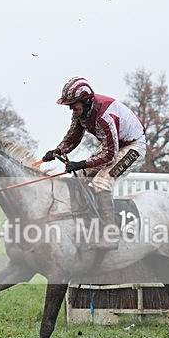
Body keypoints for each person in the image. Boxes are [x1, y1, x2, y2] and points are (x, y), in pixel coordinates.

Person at [42, 77, 147, 250]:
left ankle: (110, 234)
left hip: (133, 147)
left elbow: (110, 155)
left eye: (73, 104)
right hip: (114, 145)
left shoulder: (104, 117)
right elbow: (73, 136)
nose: (70, 108)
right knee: (80, 176)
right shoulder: (81, 112)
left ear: (86, 101)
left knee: (101, 182)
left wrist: (82, 163)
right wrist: (57, 151)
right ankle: (86, 224)